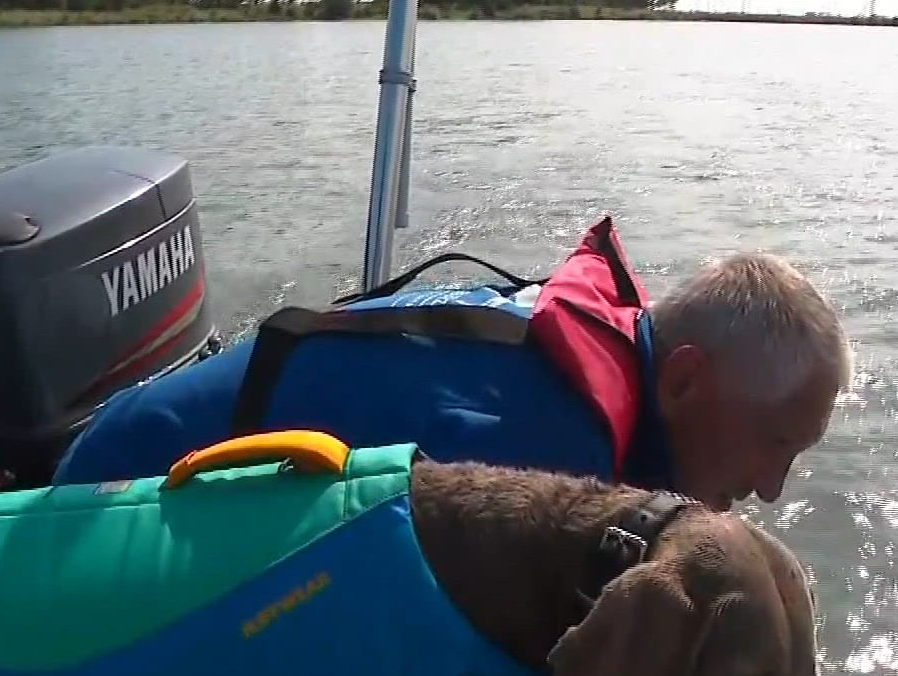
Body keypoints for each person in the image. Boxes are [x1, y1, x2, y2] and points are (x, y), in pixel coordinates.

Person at [51, 216, 848, 511]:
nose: (772, 490)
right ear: (681, 380)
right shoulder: (551, 455)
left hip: (118, 438)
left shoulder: (584, 345)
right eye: (777, 442)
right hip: (107, 507)